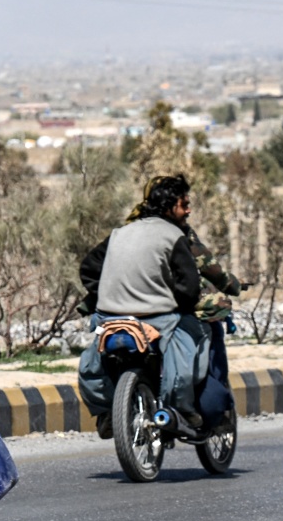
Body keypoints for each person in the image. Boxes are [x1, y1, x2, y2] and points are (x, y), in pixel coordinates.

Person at [77, 175, 235, 438]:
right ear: (169, 206)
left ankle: (106, 413)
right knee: (194, 342)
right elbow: (190, 286)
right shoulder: (175, 235)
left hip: (109, 317)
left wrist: (109, 293)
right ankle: (183, 410)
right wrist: (176, 302)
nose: (188, 210)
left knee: (93, 360)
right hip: (158, 319)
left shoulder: (119, 234)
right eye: (184, 204)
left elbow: (89, 268)